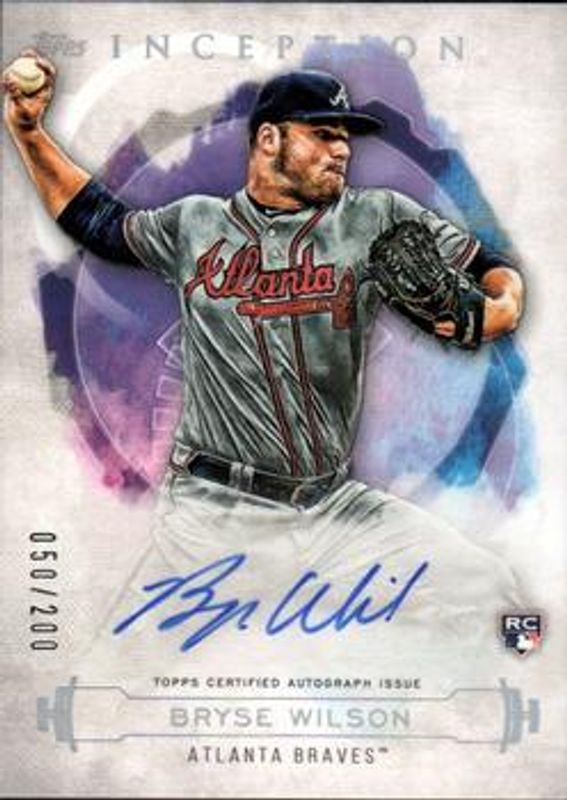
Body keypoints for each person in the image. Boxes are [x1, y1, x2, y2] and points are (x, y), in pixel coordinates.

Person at [3, 54, 525, 664]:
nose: (342, 149)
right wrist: (28, 132)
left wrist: (503, 303)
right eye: (323, 133)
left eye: (346, 136)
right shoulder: (196, 225)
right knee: (116, 677)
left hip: (333, 507)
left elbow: (489, 268)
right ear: (270, 139)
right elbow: (97, 221)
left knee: (490, 591)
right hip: (213, 516)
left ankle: (495, 706)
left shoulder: (375, 217)